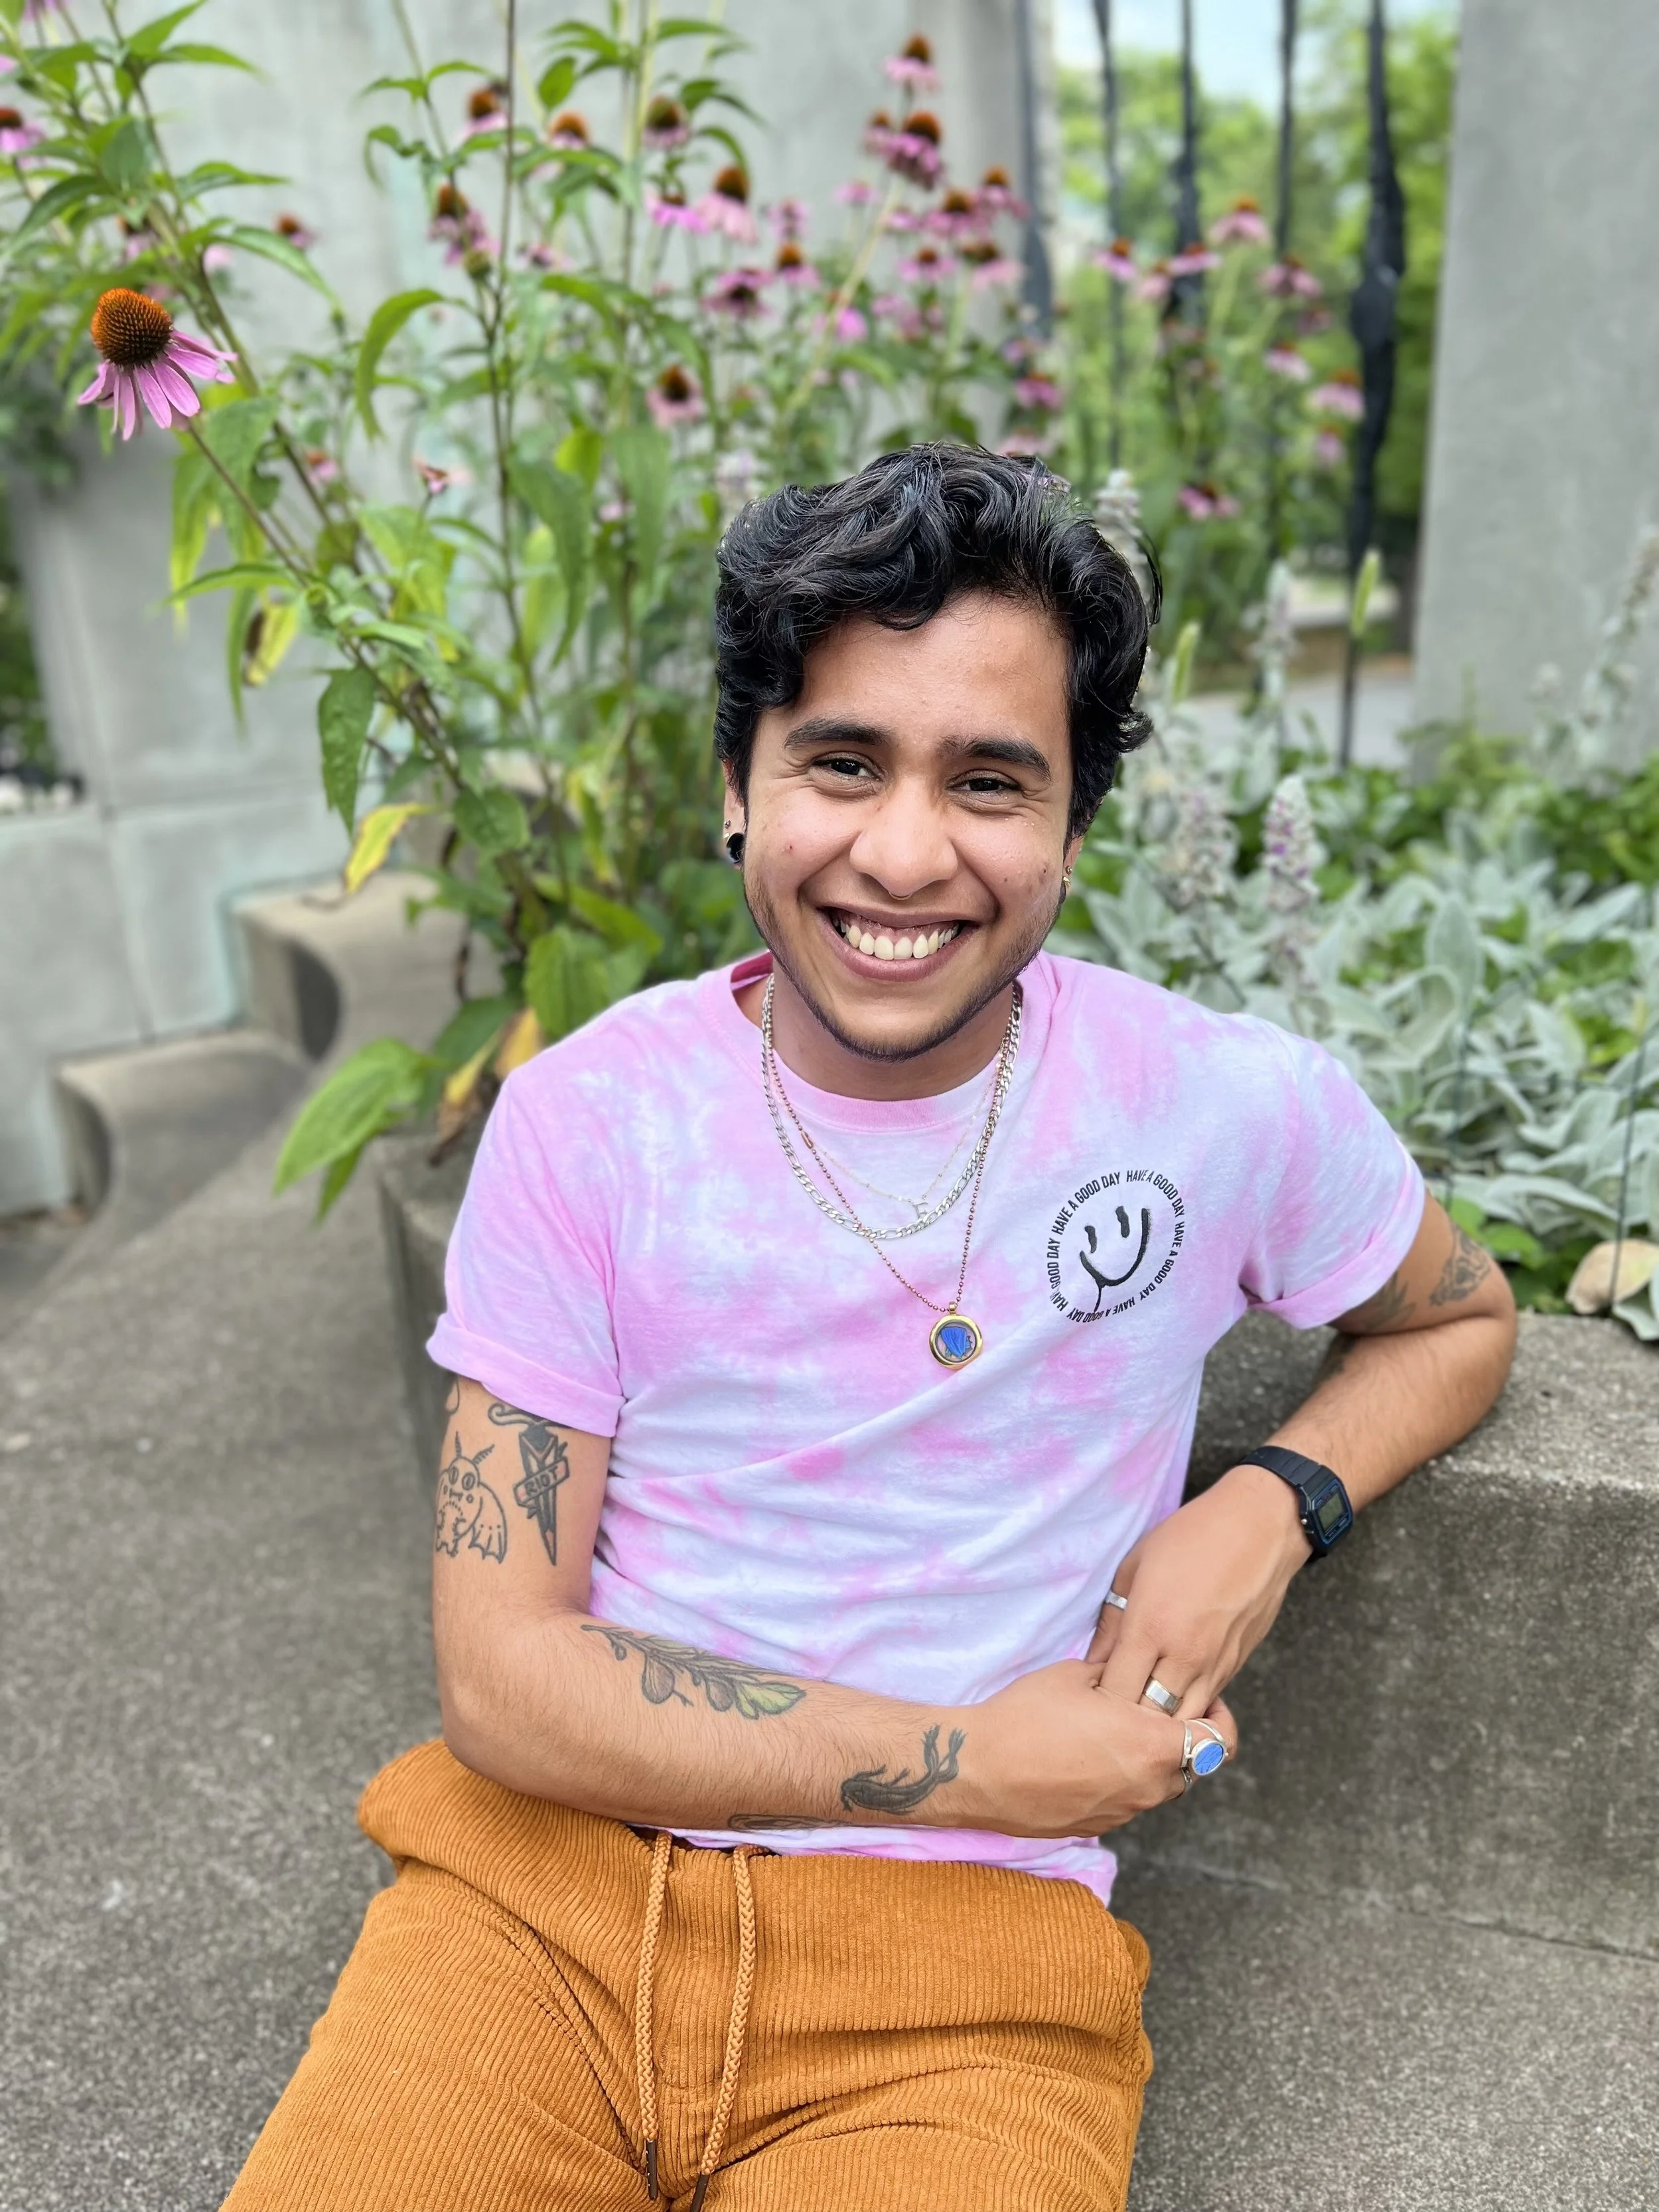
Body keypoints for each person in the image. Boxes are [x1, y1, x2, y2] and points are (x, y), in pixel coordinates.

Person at [224, 446, 1515, 2212]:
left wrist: (1268, 1498)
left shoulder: (1228, 1110)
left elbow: (1454, 1319)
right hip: (533, 1907)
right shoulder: (588, 1122)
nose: (905, 852)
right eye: (841, 759)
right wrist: (978, 1756)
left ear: (1073, 824)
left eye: (991, 779)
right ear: (736, 787)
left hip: (966, 1990)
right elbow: (503, 1670)